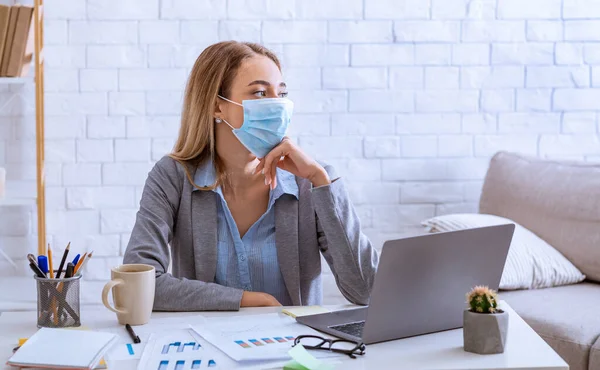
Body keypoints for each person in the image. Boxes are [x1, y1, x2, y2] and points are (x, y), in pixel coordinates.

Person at [123, 41, 379, 311]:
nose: (276, 105)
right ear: (217, 106)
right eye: (259, 93)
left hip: (296, 347)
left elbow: (366, 291)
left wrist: (320, 182)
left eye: (280, 93)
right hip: (206, 344)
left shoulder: (311, 182)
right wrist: (244, 301)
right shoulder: (173, 177)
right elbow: (139, 285)